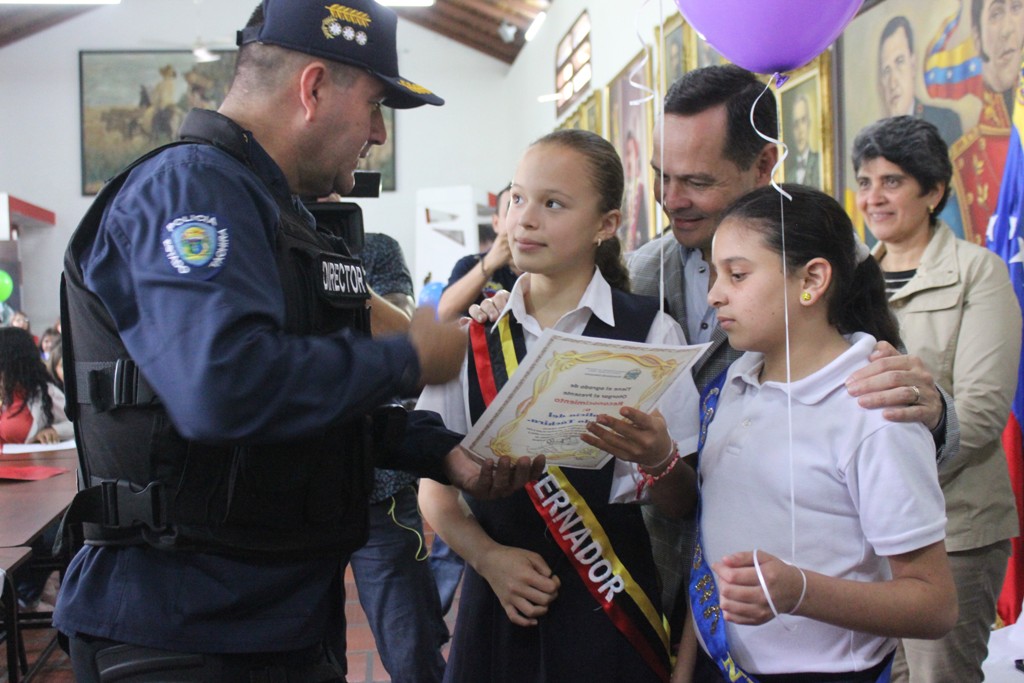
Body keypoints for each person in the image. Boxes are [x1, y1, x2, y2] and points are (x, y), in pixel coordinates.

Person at [53, 1, 541, 681]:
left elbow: (302, 409)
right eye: (375, 106)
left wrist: (440, 452)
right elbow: (222, 390)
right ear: (312, 89)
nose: (377, 132)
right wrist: (408, 357)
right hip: (184, 628)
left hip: (277, 618)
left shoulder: (281, 214)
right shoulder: (190, 190)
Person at [624, 64, 959, 637]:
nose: (671, 201)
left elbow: (891, 406)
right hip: (659, 571)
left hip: (796, 601)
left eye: (698, 182)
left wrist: (930, 410)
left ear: (764, 165)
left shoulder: (832, 262)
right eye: (661, 177)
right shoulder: (644, 272)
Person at [418, 128, 700, 683]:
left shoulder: (649, 334)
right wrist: (488, 559)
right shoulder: (475, 336)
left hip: (613, 601)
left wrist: (659, 456)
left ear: (606, 224)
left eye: (553, 204)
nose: (524, 219)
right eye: (517, 198)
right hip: (501, 597)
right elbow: (435, 491)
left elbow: (682, 503)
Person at [675, 184, 956, 683]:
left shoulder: (873, 409)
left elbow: (934, 605)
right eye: (715, 274)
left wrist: (800, 591)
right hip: (723, 664)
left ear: (812, 279)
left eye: (737, 274)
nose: (715, 293)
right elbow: (715, 544)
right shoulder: (732, 385)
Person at [854, 115, 1021, 683]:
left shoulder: (979, 273)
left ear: (933, 191)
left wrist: (909, 447)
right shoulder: (850, 281)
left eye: (892, 182)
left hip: (955, 530)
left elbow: (981, 411)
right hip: (869, 532)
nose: (873, 197)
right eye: (865, 182)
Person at [332, 231, 449, 682]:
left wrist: (334, 270)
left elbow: (404, 336)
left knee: (410, 646)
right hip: (294, 490)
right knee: (301, 649)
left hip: (379, 483)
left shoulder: (374, 247)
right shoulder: (262, 240)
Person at [0, 327, 73, 611]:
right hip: (7, 491)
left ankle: (24, 595)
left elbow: (76, 423)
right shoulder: (4, 397)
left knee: (40, 539)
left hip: (35, 492)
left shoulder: (43, 394)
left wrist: (52, 428)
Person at [951, 0, 1024, 244]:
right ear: (977, 37)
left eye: (1017, 8)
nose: (1007, 29)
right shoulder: (963, 159)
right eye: (995, 14)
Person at [436, 183, 520, 323]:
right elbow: (444, 312)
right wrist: (489, 263)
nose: (518, 222)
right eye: (510, 213)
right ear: (495, 223)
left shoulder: (548, 267)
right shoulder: (470, 264)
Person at [877, 16, 962, 146]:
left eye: (900, 61)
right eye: (886, 71)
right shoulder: (878, 146)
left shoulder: (945, 123)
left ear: (913, 64)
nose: (892, 83)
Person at [783, 93, 821, 187]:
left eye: (803, 121)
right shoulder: (789, 176)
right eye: (796, 124)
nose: (800, 131)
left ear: (809, 123)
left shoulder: (819, 163)